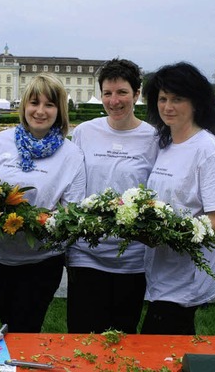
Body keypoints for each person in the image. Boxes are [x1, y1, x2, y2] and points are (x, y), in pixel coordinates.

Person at [0, 73, 86, 333]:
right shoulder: (1, 142)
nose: (40, 111)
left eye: (49, 105)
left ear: (60, 111)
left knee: (27, 326)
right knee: (8, 321)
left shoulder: (71, 155)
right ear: (24, 105)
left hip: (42, 260)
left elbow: (73, 210)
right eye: (34, 103)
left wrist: (45, 221)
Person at [140, 62, 215, 335]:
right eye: (162, 99)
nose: (167, 106)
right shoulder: (167, 144)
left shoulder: (208, 152)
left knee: (162, 348)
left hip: (186, 278)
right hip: (162, 272)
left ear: (196, 103)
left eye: (177, 99)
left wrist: (176, 232)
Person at [67, 58, 159, 334]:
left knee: (122, 337)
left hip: (131, 257)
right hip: (86, 253)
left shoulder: (153, 137)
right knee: (83, 335)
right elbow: (73, 184)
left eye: (122, 92)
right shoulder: (85, 132)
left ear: (137, 94)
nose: (114, 100)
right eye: (107, 93)